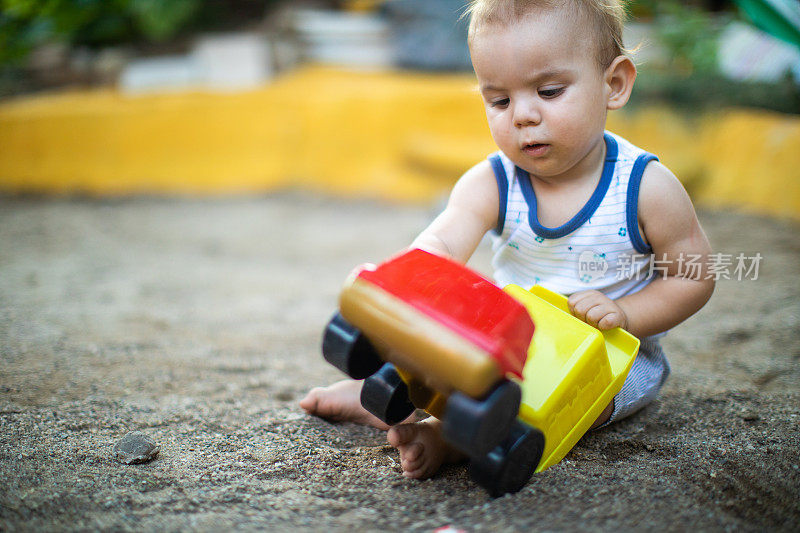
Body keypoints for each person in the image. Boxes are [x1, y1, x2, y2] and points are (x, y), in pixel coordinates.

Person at [300, 0, 714, 480]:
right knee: (445, 345)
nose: (522, 115)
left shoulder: (645, 187)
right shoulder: (493, 181)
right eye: (499, 100)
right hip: (507, 344)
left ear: (614, 84)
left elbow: (695, 278)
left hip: (609, 357)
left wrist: (626, 314)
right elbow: (441, 245)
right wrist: (404, 282)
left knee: (569, 410)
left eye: (549, 91)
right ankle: (385, 392)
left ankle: (447, 436)